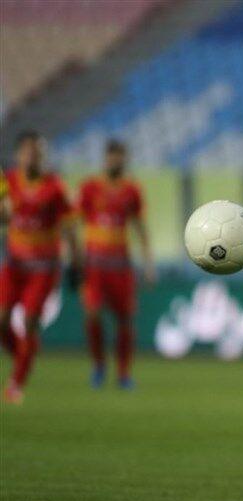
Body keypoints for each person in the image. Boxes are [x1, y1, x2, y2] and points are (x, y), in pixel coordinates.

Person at [0, 130, 81, 404]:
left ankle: (16, 382)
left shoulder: (55, 187)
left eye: (38, 153)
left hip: (43, 268)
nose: (33, 157)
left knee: (30, 321)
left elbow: (69, 228)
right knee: (1, 320)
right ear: (18, 155)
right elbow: (5, 217)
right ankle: (24, 355)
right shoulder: (9, 182)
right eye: (28, 152)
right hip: (15, 264)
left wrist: (76, 263)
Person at [78, 140, 156, 390]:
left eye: (120, 157)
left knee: (124, 319)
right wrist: (75, 257)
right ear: (105, 159)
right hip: (94, 265)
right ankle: (99, 364)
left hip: (120, 266)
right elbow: (77, 221)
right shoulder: (90, 187)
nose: (115, 161)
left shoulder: (132, 190)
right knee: (92, 314)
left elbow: (140, 227)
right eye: (112, 157)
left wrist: (148, 263)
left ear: (125, 159)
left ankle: (123, 372)